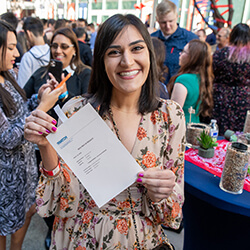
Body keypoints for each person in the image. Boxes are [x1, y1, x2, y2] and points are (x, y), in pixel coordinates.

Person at [24, 14, 186, 249]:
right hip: (81, 235)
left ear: (149, 53)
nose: (127, 61)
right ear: (101, 60)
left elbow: (172, 210)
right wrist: (45, 145)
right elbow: (62, 202)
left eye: (137, 48)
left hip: (141, 238)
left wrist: (163, 191)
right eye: (114, 52)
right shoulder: (76, 111)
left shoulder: (170, 116)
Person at [0, 20, 64, 250]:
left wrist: (39, 97)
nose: (16, 53)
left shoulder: (7, 76)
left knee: (24, 215)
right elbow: (6, 137)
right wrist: (42, 109)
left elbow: (20, 112)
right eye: (9, 47)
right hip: (5, 178)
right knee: (4, 226)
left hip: (22, 171)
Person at [24, 27, 91, 120]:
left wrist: (66, 96)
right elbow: (22, 100)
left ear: (74, 50)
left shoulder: (85, 74)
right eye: (54, 46)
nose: (58, 51)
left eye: (64, 47)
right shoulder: (41, 73)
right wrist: (38, 98)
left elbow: (88, 111)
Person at [212, 23, 250, 135]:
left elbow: (212, 73)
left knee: (218, 134)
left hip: (220, 98)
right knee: (237, 135)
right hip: (243, 101)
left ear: (232, 35)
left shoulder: (221, 54)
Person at [151, 0, 198, 84]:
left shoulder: (190, 39)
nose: (168, 26)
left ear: (177, 16)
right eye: (163, 22)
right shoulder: (152, 39)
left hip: (179, 90)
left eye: (171, 21)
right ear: (157, 20)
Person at [169, 39, 213, 124]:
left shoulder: (183, 79)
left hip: (182, 127)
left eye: (184, 51)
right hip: (196, 126)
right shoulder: (202, 78)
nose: (180, 53)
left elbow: (174, 112)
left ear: (192, 58)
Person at [18, 17, 50, 88]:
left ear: (29, 34)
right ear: (43, 33)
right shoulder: (52, 52)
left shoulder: (28, 57)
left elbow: (22, 86)